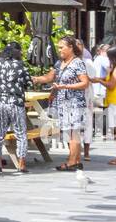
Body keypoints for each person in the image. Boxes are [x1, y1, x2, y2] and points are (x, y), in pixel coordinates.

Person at [32, 36, 91, 171]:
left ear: (71, 47)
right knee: (69, 133)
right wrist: (36, 79)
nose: (59, 50)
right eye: (58, 47)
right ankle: (75, 160)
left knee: (73, 133)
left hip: (74, 103)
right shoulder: (60, 63)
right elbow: (50, 77)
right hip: (63, 103)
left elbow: (85, 83)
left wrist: (65, 87)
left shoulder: (78, 63)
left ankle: (72, 162)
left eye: (61, 47)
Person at [0, 44, 33, 172]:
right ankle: (21, 164)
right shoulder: (19, 65)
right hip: (16, 102)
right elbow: (28, 82)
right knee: (21, 134)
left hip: (0, 102)